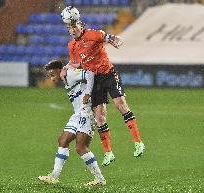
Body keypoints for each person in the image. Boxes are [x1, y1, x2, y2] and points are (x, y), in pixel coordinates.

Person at [60, 6, 145, 167]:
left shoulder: (94, 34)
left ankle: (138, 142)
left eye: (74, 26)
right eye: (69, 28)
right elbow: (76, 62)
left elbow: (112, 38)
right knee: (99, 117)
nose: (72, 30)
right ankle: (108, 153)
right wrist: (65, 68)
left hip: (108, 74)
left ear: (80, 24)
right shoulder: (72, 46)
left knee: (121, 105)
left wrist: (116, 41)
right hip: (94, 80)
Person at [38, 60, 106, 187]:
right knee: (63, 140)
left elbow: (90, 74)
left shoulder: (70, 74)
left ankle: (100, 179)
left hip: (86, 114)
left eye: (53, 74)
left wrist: (88, 93)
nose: (52, 78)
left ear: (59, 70)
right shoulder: (66, 77)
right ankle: (54, 176)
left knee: (81, 147)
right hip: (77, 115)